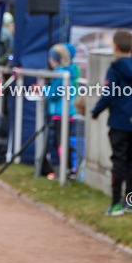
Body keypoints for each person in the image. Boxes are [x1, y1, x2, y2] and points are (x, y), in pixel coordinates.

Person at [90, 31, 132, 215]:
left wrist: (96, 111)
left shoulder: (115, 69)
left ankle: (116, 202)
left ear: (115, 47)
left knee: (119, 161)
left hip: (119, 122)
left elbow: (109, 93)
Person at [38, 44, 80, 178]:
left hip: (60, 112)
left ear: (53, 59)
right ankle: (68, 169)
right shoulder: (73, 70)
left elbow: (53, 94)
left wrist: (41, 89)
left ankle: (66, 170)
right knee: (62, 142)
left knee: (60, 143)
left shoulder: (59, 73)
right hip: (69, 111)